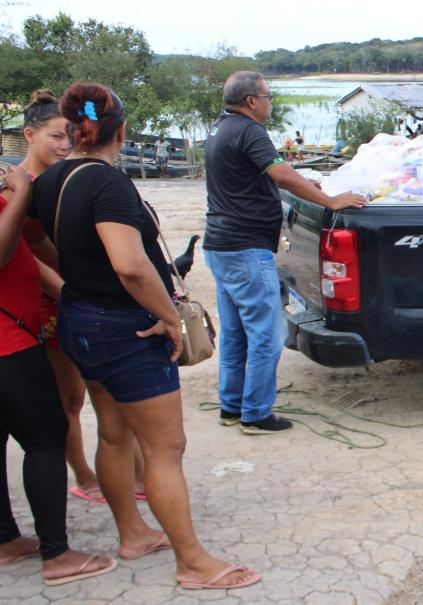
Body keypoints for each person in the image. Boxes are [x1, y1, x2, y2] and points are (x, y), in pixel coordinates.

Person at [28, 81, 260, 590]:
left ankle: (133, 533)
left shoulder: (52, 179)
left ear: (72, 129)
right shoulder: (107, 183)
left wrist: (74, 279)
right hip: (125, 326)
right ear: (123, 129)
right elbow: (131, 265)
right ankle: (193, 561)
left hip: (80, 318)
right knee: (165, 447)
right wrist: (170, 317)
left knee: (115, 432)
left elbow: (36, 238)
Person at [203, 71, 366, 434]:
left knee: (235, 333)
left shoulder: (220, 128)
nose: (269, 102)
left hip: (220, 246)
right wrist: (329, 199)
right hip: (246, 249)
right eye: (267, 96)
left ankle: (231, 406)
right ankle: (256, 414)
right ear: (250, 101)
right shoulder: (249, 131)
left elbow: (252, 176)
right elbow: (280, 175)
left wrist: (306, 182)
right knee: (266, 334)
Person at [18, 89, 149, 505]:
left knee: (105, 400)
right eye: (55, 136)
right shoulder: (24, 188)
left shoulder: (61, 180)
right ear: (29, 135)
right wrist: (73, 286)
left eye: (66, 136)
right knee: (71, 399)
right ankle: (84, 474)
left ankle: (135, 474)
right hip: (51, 303)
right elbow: (29, 254)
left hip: (73, 298)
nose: (64, 144)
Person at [0, 161, 118, 585]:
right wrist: (21, 198)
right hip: (8, 347)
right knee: (46, 437)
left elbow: (32, 267)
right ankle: (57, 554)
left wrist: (86, 300)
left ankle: (7, 541)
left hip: (13, 338)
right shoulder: (11, 202)